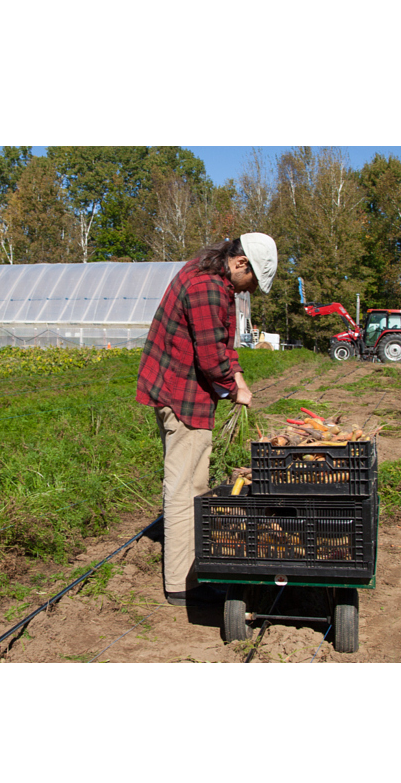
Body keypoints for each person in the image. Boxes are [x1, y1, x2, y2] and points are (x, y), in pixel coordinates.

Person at [136, 233, 277, 607]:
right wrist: (235, 388)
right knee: (184, 490)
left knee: (192, 483)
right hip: (183, 398)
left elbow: (220, 346)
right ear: (242, 264)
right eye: (254, 283)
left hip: (177, 390)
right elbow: (213, 358)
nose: (252, 291)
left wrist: (239, 381)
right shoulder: (208, 288)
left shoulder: (204, 274)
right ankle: (183, 585)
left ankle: (192, 573)